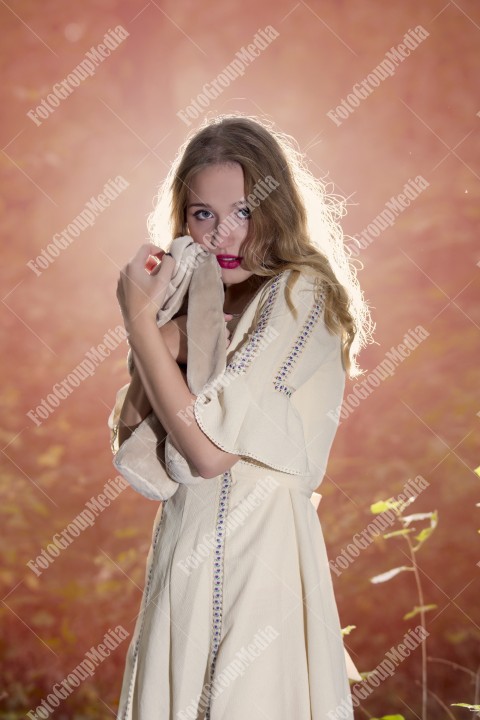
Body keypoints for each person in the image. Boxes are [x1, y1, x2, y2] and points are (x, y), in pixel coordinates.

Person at [112, 114, 373, 720]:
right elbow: (145, 457)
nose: (221, 234)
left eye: (244, 212)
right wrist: (162, 328)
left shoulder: (300, 294)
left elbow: (209, 453)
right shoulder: (194, 310)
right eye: (203, 214)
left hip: (263, 566)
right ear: (183, 222)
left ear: (275, 212)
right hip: (184, 558)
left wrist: (138, 324)